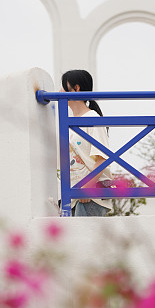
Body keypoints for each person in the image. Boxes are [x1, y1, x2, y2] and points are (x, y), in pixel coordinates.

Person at [61, 69, 113, 217]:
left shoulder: (92, 118)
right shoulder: (71, 122)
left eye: (64, 87)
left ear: (76, 89)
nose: (59, 92)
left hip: (90, 197)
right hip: (75, 196)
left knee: (83, 240)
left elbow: (102, 157)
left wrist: (88, 187)